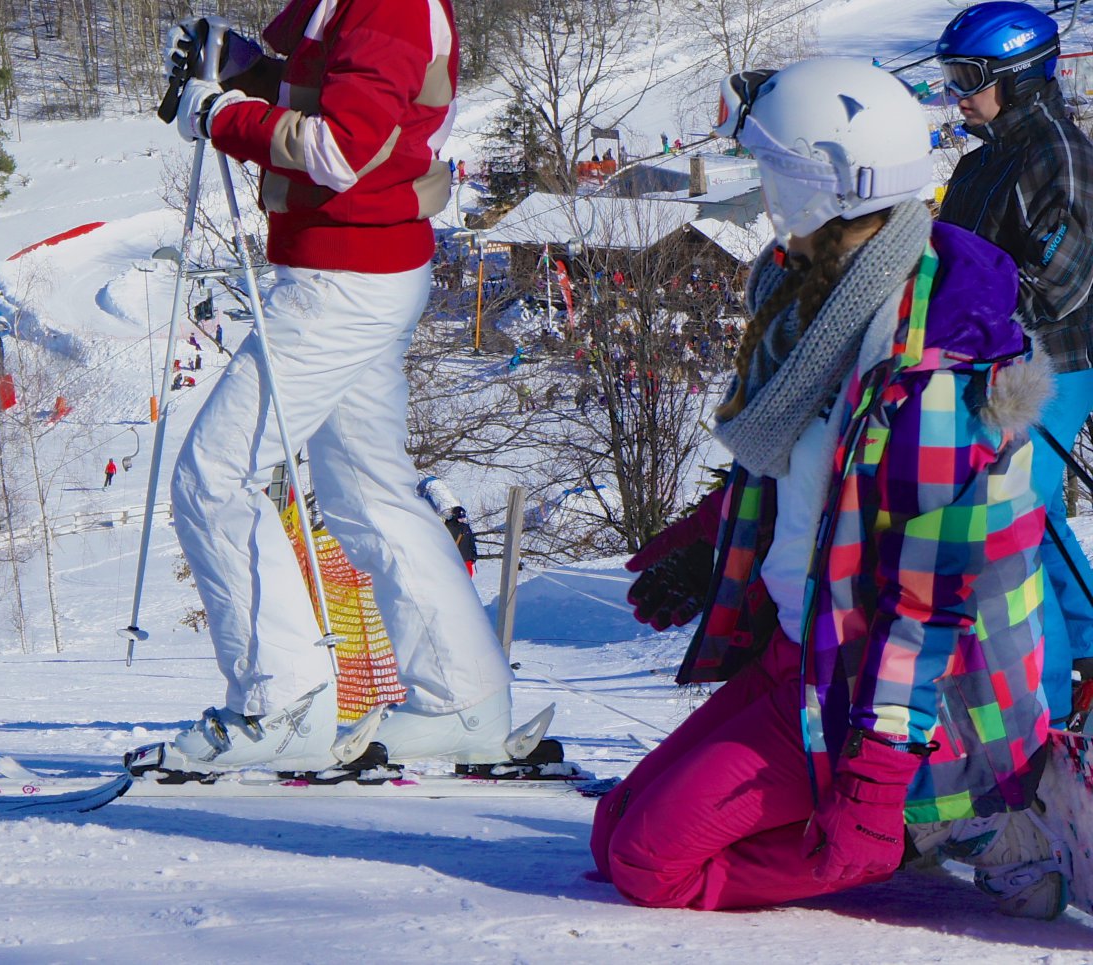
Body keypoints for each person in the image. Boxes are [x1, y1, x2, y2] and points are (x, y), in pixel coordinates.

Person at [593, 59, 1061, 919]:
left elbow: (928, 596)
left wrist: (876, 779)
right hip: (798, 651)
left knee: (647, 861)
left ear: (826, 187)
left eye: (777, 175)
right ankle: (900, 828)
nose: (767, 199)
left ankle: (905, 832)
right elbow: (810, 474)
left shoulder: (932, 370)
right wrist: (710, 538)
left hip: (871, 691)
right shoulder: (827, 298)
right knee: (614, 828)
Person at [153, 6, 542, 776]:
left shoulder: (389, 7)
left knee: (212, 477)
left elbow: (339, 148)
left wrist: (224, 117)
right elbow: (333, 104)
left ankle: (283, 705)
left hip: (344, 281)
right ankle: (463, 701)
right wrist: (240, 69)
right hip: (356, 268)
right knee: (369, 491)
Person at [934, 1, 1093, 728]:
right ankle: (1087, 649)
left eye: (969, 75)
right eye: (949, 75)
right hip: (989, 367)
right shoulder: (983, 159)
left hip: (1047, 365)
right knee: (1036, 515)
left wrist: (968, 319)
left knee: (1014, 527)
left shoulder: (1054, 151)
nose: (956, 92)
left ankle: (1048, 711)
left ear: (1021, 77)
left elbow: (1064, 280)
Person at [445, 507, 477, 577]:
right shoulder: (448, 527)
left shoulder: (465, 527)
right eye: (460, 518)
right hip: (454, 561)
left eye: (463, 518)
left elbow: (471, 541)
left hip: (467, 559)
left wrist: (473, 555)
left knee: (468, 580)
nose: (462, 520)